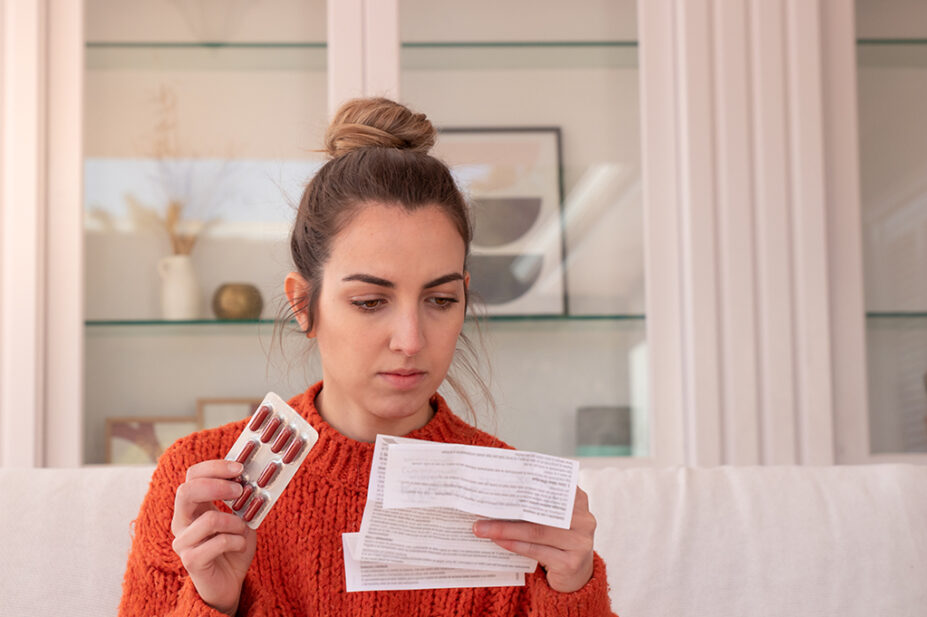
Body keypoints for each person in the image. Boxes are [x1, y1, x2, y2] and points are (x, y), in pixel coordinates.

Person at [118, 97, 617, 617]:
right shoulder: (201, 486)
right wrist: (214, 602)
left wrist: (572, 591)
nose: (410, 340)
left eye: (440, 301)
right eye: (370, 302)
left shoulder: (519, 505)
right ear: (302, 304)